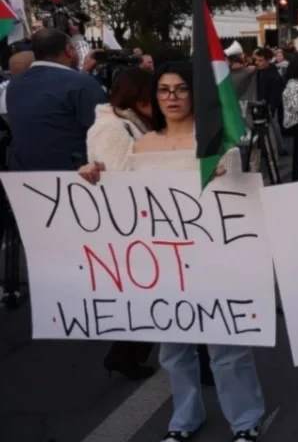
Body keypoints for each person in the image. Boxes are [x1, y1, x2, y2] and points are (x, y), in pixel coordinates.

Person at [80, 63, 266, 442]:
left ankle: (245, 420)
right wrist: (94, 176)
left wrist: (223, 176)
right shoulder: (140, 147)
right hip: (163, 264)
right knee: (174, 351)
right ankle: (184, 419)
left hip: (213, 260)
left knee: (227, 350)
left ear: (194, 95)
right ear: (153, 97)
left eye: (181, 89)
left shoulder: (217, 143)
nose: (172, 97)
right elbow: (124, 208)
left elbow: (239, 203)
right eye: (164, 90)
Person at [83, 66, 156, 381]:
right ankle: (124, 355)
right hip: (132, 223)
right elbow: (123, 179)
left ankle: (124, 354)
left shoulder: (127, 123)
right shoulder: (113, 129)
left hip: (140, 221)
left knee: (150, 295)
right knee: (148, 295)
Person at [6, 28, 107, 171]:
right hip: (72, 179)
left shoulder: (14, 84)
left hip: (24, 178)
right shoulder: (82, 84)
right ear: (68, 50)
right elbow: (104, 134)